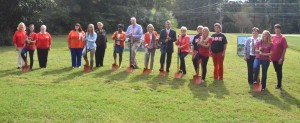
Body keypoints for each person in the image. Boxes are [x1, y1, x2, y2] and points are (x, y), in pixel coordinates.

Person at [271, 24, 288, 89]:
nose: (277, 29)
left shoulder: (283, 38)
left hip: (279, 58)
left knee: (279, 70)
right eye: (276, 28)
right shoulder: (273, 37)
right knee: (276, 70)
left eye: (278, 28)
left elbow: (284, 48)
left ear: (280, 29)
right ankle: (279, 83)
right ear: (274, 29)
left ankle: (279, 84)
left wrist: (281, 58)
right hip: (273, 57)